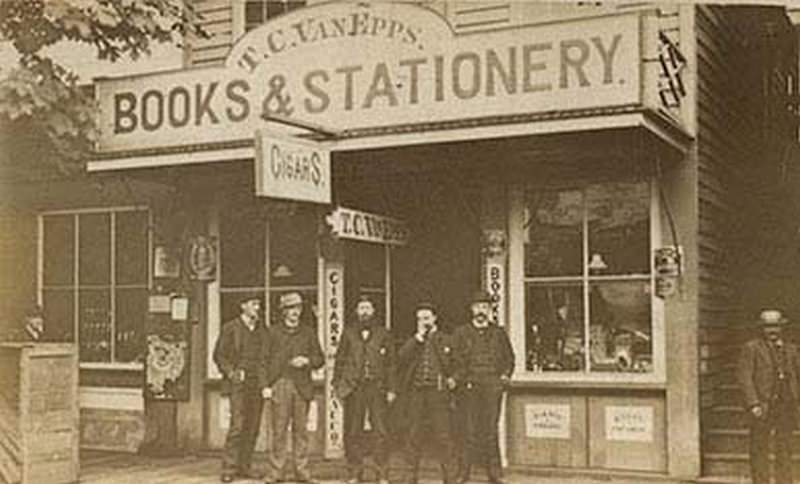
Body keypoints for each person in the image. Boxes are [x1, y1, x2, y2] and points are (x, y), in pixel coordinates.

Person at [333, 295, 397, 484]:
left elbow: (391, 364)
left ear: (373, 311)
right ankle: (355, 472)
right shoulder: (348, 333)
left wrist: (392, 388)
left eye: (368, 308)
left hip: (377, 388)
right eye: (361, 308)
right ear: (356, 311)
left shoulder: (384, 333)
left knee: (381, 430)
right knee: (353, 431)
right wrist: (338, 386)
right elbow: (340, 361)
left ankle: (382, 472)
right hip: (354, 388)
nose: (365, 311)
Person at [452, 290, 514, 484]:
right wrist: (462, 379)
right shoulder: (461, 333)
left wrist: (504, 377)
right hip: (469, 386)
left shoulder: (499, 332)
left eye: (485, 307)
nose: (481, 310)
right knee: (468, 430)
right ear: (472, 309)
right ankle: (464, 472)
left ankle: (494, 473)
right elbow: (455, 359)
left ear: (490, 310)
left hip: (492, 386)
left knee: (490, 430)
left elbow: (509, 358)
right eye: (478, 306)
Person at [264, 292, 324, 484]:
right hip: (280, 384)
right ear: (283, 312)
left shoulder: (308, 332)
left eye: (297, 308)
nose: (294, 312)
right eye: (290, 308)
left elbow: (319, 359)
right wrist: (266, 385)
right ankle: (276, 472)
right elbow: (262, 361)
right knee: (279, 430)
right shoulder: (272, 333)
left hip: (302, 386)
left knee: (301, 432)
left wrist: (306, 361)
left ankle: (302, 472)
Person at [737, 309, 800, 484]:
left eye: (776, 326)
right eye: (768, 327)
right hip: (762, 406)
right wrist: (753, 403)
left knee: (785, 448)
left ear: (782, 327)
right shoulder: (752, 348)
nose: (772, 331)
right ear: (761, 328)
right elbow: (745, 378)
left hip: (786, 405)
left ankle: (784, 481)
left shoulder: (791, 349)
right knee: (759, 448)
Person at [397, 301, 457, 484]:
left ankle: (449, 477)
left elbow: (459, 363)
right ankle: (410, 476)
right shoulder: (414, 340)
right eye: (420, 319)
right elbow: (400, 358)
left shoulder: (446, 339)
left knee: (443, 435)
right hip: (416, 393)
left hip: (438, 394)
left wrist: (454, 378)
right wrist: (418, 338)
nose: (423, 322)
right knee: (413, 434)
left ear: (434, 318)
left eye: (427, 318)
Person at [213, 295, 270, 483]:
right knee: (237, 426)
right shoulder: (230, 328)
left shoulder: (262, 329)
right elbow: (219, 356)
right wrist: (232, 373)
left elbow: (267, 356)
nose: (257, 308)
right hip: (238, 384)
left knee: (253, 427)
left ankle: (244, 467)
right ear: (243, 305)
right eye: (254, 304)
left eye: (259, 304)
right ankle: (229, 468)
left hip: (257, 383)